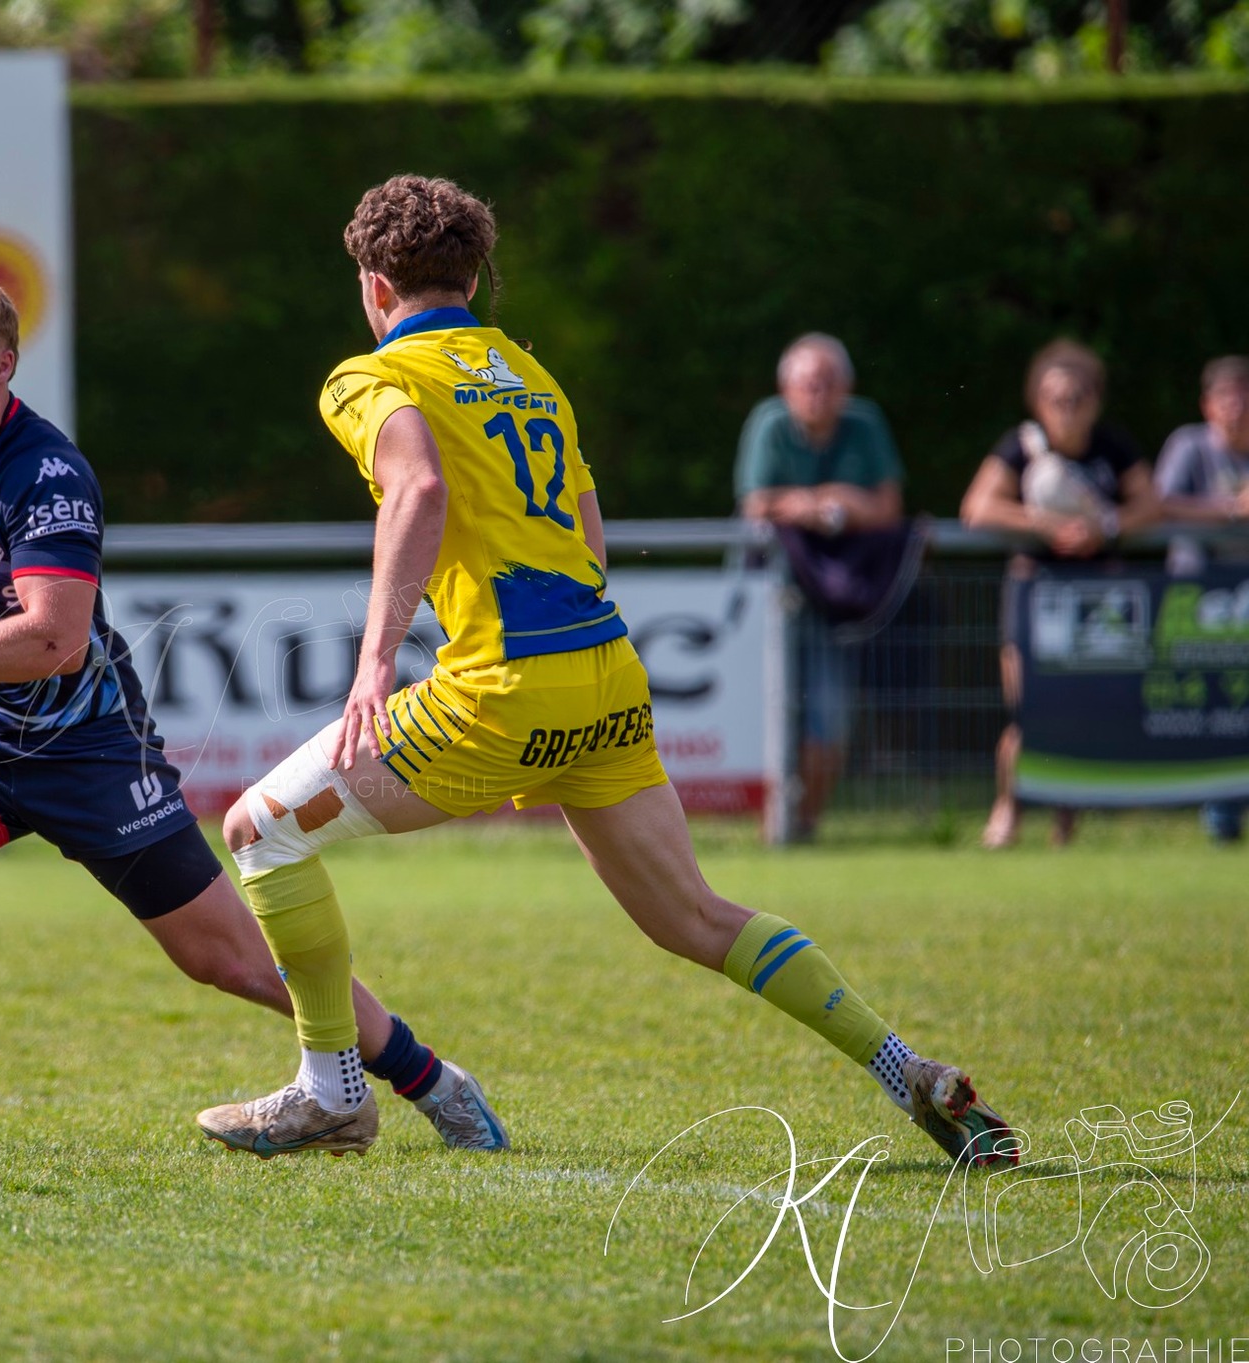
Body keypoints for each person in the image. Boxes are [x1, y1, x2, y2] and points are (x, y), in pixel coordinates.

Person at [193, 175, 1016, 1171]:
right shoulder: (529, 374)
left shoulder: (369, 376)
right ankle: (902, 1065)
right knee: (694, 915)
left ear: (374, 288)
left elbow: (417, 487)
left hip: (499, 690)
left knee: (260, 830)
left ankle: (332, 1089)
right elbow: (588, 538)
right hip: (607, 674)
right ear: (475, 278)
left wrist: (374, 664)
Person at [0, 264, 506, 1153]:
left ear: (3, 366)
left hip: (91, 754)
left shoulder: (45, 472)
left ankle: (429, 1078)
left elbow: (56, 641)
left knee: (226, 959)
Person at [959, 340, 1160, 850]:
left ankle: (1066, 822)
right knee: (1026, 709)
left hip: (1098, 598)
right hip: (1036, 593)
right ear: (1037, 401)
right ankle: (1007, 810)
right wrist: (1045, 525)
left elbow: (1151, 503)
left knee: (1081, 711)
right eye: (1055, 398)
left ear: (1096, 399)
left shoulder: (1113, 447)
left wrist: (1105, 527)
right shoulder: (1020, 446)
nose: (1067, 408)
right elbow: (978, 507)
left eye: (1077, 397)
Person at [735, 334, 905, 839]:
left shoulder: (865, 424)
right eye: (808, 383)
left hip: (836, 598)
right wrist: (838, 505)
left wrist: (821, 504)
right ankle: (765, 825)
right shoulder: (769, 423)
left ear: (847, 387)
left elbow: (889, 509)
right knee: (759, 709)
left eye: (829, 382)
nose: (818, 392)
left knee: (829, 716)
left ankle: (804, 826)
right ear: (785, 388)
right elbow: (756, 506)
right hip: (768, 598)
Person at [1155, 355, 1249, 843]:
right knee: (1215, 706)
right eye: (1227, 397)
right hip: (1199, 604)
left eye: (1245, 396)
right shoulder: (1189, 446)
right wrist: (1232, 509)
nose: (1237, 407)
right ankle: (1221, 816)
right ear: (1207, 405)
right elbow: (1159, 503)